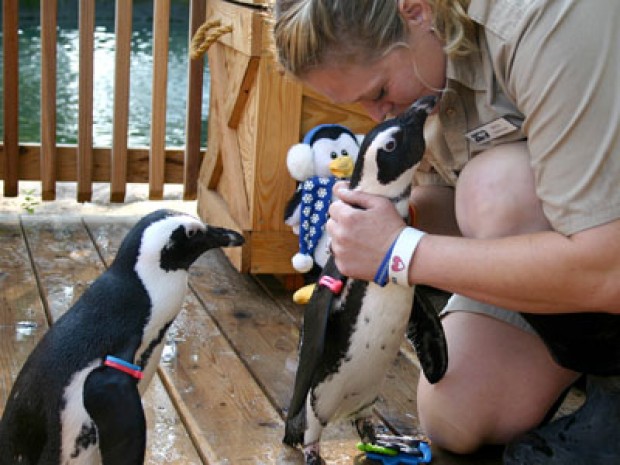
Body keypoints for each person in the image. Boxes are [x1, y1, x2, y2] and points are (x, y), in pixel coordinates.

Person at [271, 1, 620, 464]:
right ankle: (596, 371)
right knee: (456, 415)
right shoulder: (428, 62)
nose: (378, 114)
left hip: (605, 259)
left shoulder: (544, 18)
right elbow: (447, 206)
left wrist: (398, 251)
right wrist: (383, 218)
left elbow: (609, 269)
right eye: (357, 104)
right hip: (580, 258)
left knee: (493, 190)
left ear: (416, 12)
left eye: (379, 90)